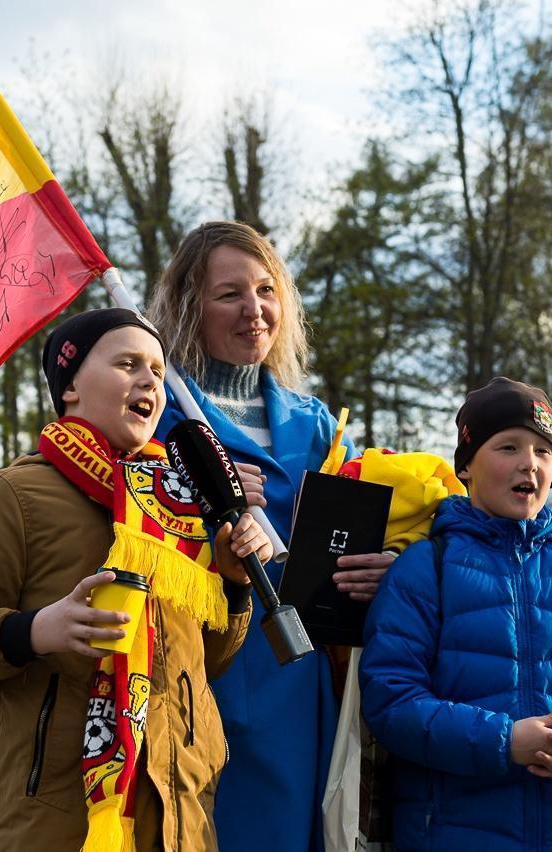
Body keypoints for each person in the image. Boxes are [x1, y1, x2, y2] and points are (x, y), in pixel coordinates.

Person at [0, 309, 269, 851]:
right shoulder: (14, 494)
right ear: (71, 390)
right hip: (60, 819)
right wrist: (38, 630)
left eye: (157, 370)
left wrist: (233, 585)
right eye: (127, 363)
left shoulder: (182, 508)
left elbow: (210, 662)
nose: (149, 380)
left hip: (179, 817)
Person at [148, 220, 387, 851]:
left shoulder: (317, 427)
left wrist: (384, 565)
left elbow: (364, 534)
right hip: (202, 673)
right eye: (229, 294)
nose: (254, 310)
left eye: (266, 289)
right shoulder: (156, 417)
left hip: (306, 679)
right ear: (187, 307)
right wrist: (192, 500)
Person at [358, 377, 552, 849]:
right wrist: (505, 741)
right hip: (451, 834)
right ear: (465, 467)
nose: (530, 464)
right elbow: (392, 701)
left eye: (544, 452)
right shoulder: (426, 568)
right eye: (508, 447)